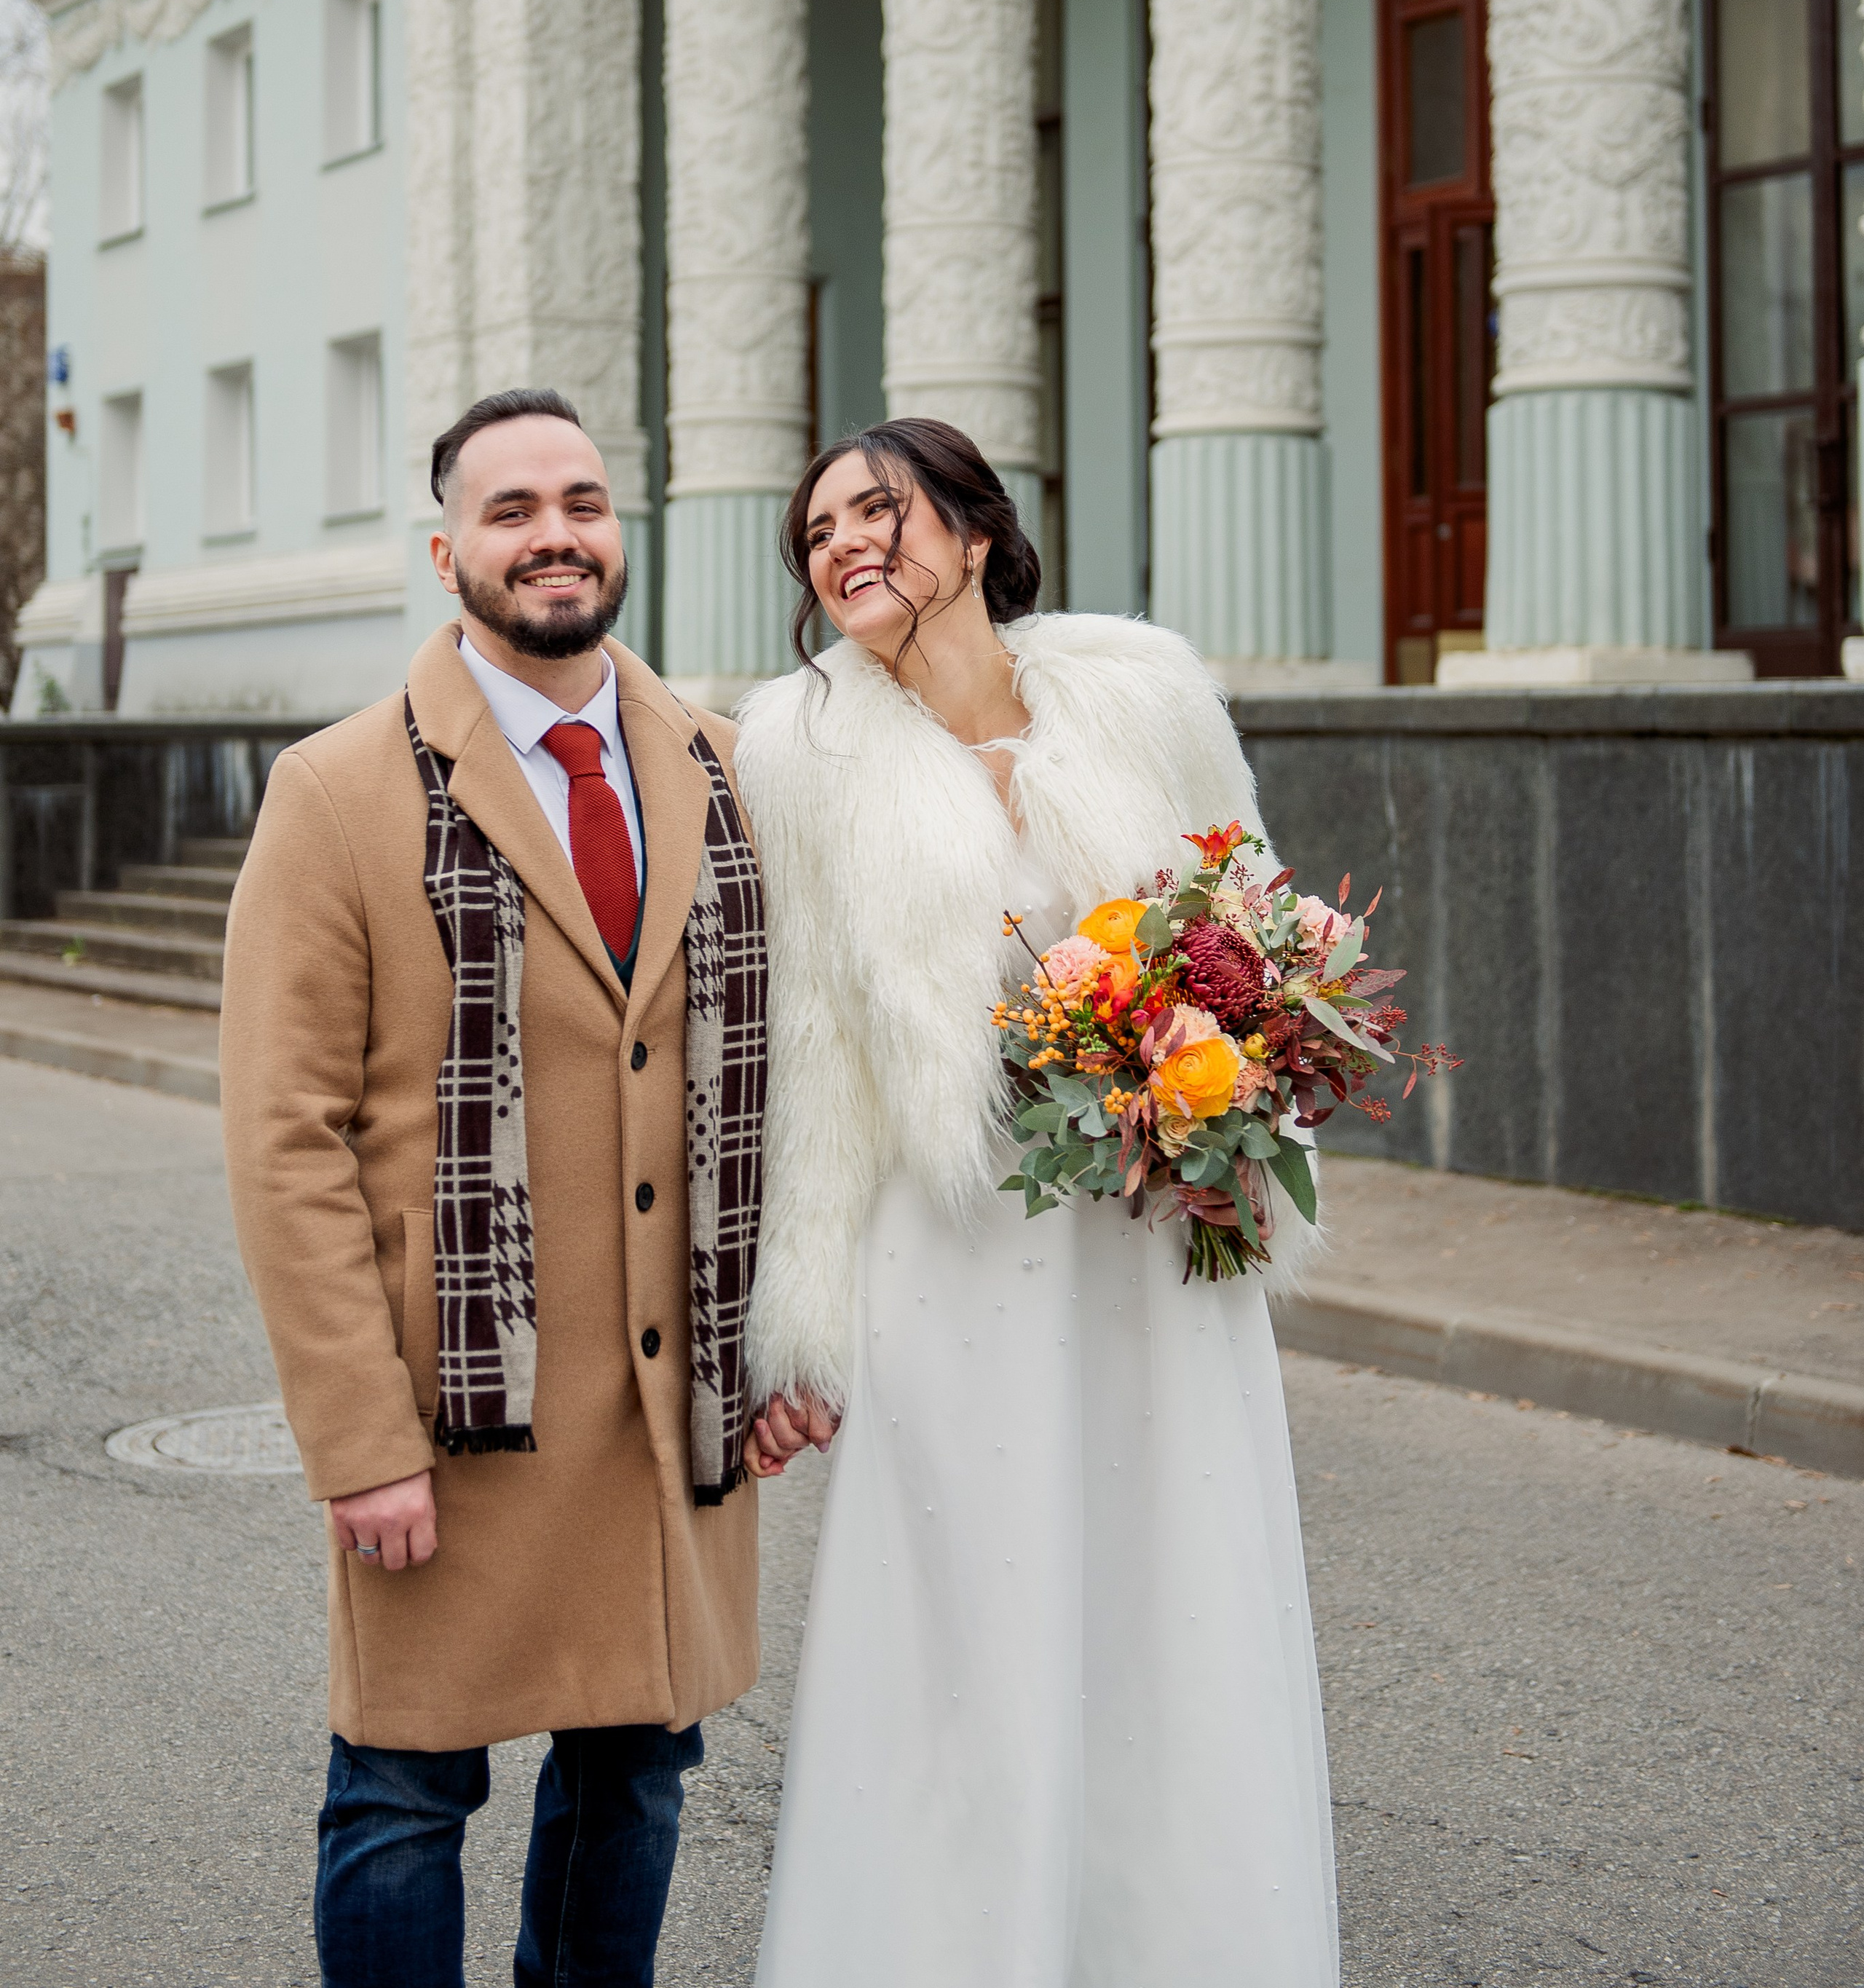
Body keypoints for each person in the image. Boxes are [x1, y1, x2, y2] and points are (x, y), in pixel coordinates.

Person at [733, 417, 1337, 1988]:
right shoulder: (794, 750)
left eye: (882, 509)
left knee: (1167, 1596)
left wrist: (1221, 1095)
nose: (848, 542)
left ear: (978, 532)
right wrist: (796, 1319)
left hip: (1148, 1245)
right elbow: (807, 1037)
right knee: (961, 1628)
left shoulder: (1141, 694)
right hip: (948, 1250)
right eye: (817, 534)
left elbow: (1255, 928)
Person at [219, 387, 769, 1988]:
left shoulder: (717, 765)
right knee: (405, 1785)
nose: (556, 534)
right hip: (454, 1404)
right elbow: (285, 1140)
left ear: (620, 529)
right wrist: (356, 1439)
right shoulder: (336, 792)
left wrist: (781, 1346)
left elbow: (771, 1087)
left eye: (583, 500)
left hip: (666, 1408)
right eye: (514, 507)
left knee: (636, 1772)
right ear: (446, 544)